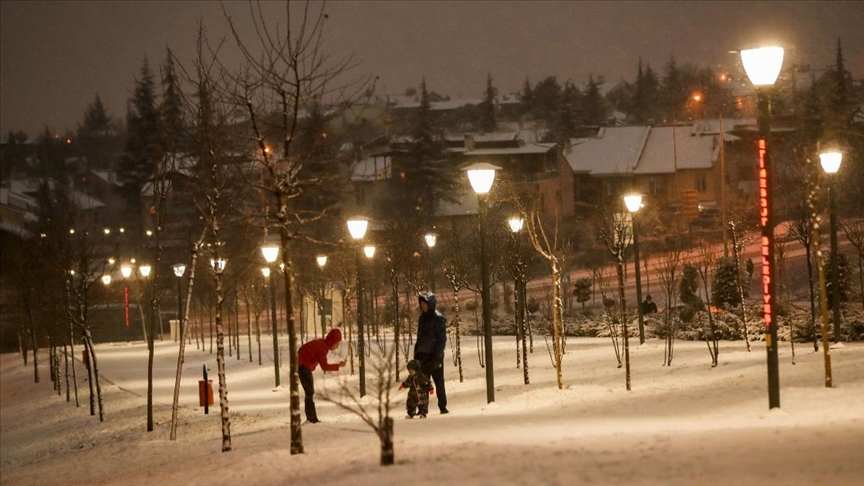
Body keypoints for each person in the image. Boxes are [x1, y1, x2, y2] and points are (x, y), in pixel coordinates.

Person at [297, 328, 346, 423]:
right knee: (309, 392)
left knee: (309, 392)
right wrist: (338, 365)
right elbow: (325, 366)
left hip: (303, 365)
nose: (337, 347)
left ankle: (311, 417)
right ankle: (312, 418)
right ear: (332, 341)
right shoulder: (322, 348)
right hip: (303, 366)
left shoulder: (322, 344)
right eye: (336, 344)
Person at [414, 292, 448, 414]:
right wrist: (417, 352)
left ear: (431, 304)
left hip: (434, 355)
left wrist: (437, 356)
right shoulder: (422, 318)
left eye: (425, 303)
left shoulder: (438, 318)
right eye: (421, 303)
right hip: (422, 355)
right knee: (422, 383)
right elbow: (420, 337)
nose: (422, 306)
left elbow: (441, 339)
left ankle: (442, 406)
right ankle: (423, 408)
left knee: (439, 382)